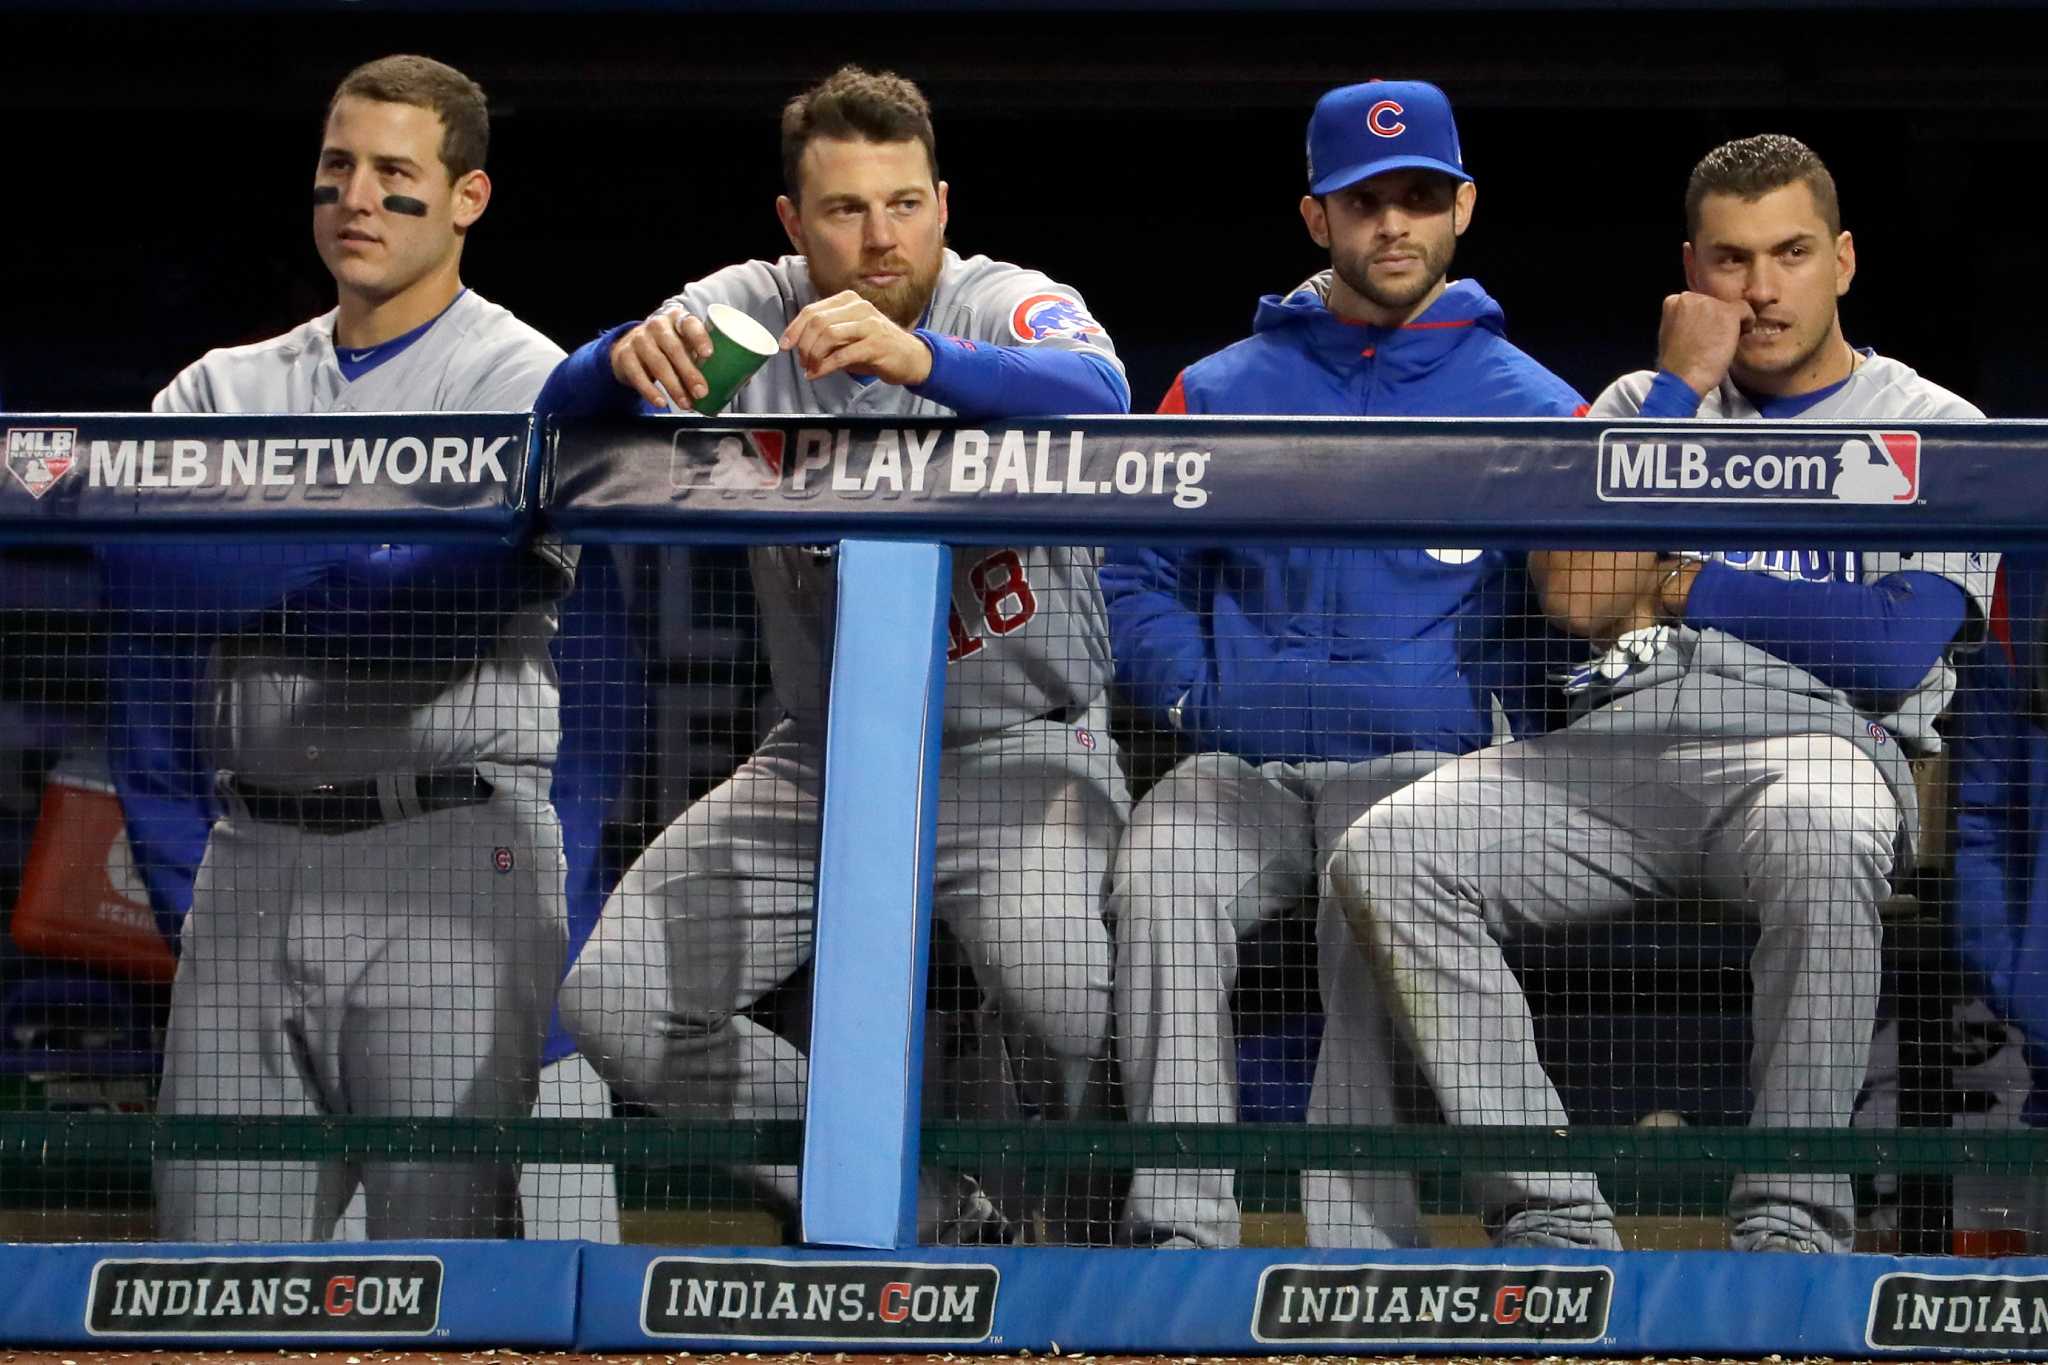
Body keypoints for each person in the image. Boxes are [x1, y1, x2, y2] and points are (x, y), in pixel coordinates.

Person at [1328, 133, 1992, 1253]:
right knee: (1387, 852)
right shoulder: (1641, 400)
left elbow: (1887, 653)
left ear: (1841, 258)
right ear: (1691, 271)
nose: (1760, 288)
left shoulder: (1932, 421)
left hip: (1813, 758)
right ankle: (1549, 1216)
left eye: (1787, 253)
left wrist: (1682, 579)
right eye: (1729, 262)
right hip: (1610, 760)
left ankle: (1789, 1218)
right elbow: (1582, 602)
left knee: (1823, 835)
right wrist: (1679, 389)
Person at [546, 64, 1133, 1240]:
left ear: (942, 203)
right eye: (844, 210)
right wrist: (613, 359)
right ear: (789, 224)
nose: (879, 238)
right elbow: (576, 404)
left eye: (903, 203)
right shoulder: (753, 312)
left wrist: (924, 364)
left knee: (1073, 1009)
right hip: (820, 760)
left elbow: (1097, 392)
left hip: (1022, 749)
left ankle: (1078, 1254)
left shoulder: (992, 304)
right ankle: (931, 1214)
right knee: (620, 1004)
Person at [108, 54, 590, 1242]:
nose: (357, 198)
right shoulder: (221, 386)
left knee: (446, 1261)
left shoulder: (516, 376)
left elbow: (439, 609)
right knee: (212, 1277)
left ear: (467, 196)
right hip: (250, 857)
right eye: (337, 168)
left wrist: (255, 569)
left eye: (393, 172)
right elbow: (145, 590)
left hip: (448, 849)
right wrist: (353, 556)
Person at [1100, 79, 1583, 1250]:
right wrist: (1188, 693)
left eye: (1418, 197)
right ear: (1316, 218)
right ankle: (1179, 1228)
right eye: (1363, 202)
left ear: (1461, 206)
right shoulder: (1217, 391)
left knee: (1377, 900)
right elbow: (1131, 570)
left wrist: (1498, 725)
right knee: (1154, 878)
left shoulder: (1531, 405)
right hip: (1243, 770)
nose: (1392, 226)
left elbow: (1577, 605)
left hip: (1419, 768)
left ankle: (1357, 1251)